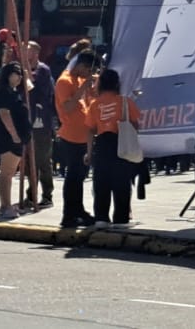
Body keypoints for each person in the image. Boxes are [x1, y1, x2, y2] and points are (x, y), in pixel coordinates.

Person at [86, 68, 142, 227]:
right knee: (122, 182)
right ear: (117, 83)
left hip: (102, 144)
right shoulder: (125, 101)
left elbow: (90, 130)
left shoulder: (94, 104)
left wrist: (89, 153)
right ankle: (121, 218)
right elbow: (136, 125)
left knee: (101, 182)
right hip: (121, 143)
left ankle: (101, 218)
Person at [55, 52, 97, 228]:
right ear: (80, 65)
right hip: (71, 136)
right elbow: (68, 106)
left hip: (83, 135)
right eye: (88, 69)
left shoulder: (78, 80)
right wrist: (83, 87)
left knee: (80, 177)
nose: (88, 74)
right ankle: (68, 214)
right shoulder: (65, 81)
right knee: (73, 176)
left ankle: (78, 210)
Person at [0, 62, 29, 219]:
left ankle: (7, 204)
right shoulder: (4, 92)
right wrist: (14, 134)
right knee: (6, 173)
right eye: (16, 73)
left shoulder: (14, 91)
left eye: (21, 74)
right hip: (8, 137)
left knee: (10, 173)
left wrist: (26, 73)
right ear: (7, 75)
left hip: (16, 135)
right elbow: (4, 114)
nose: (19, 77)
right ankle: (5, 206)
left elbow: (30, 87)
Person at [23, 42, 57, 209]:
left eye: (28, 51)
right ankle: (31, 194)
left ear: (36, 53)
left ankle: (46, 194)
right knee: (29, 161)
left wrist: (29, 75)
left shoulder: (43, 70)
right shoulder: (21, 68)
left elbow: (41, 92)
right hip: (27, 119)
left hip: (41, 120)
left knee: (42, 159)